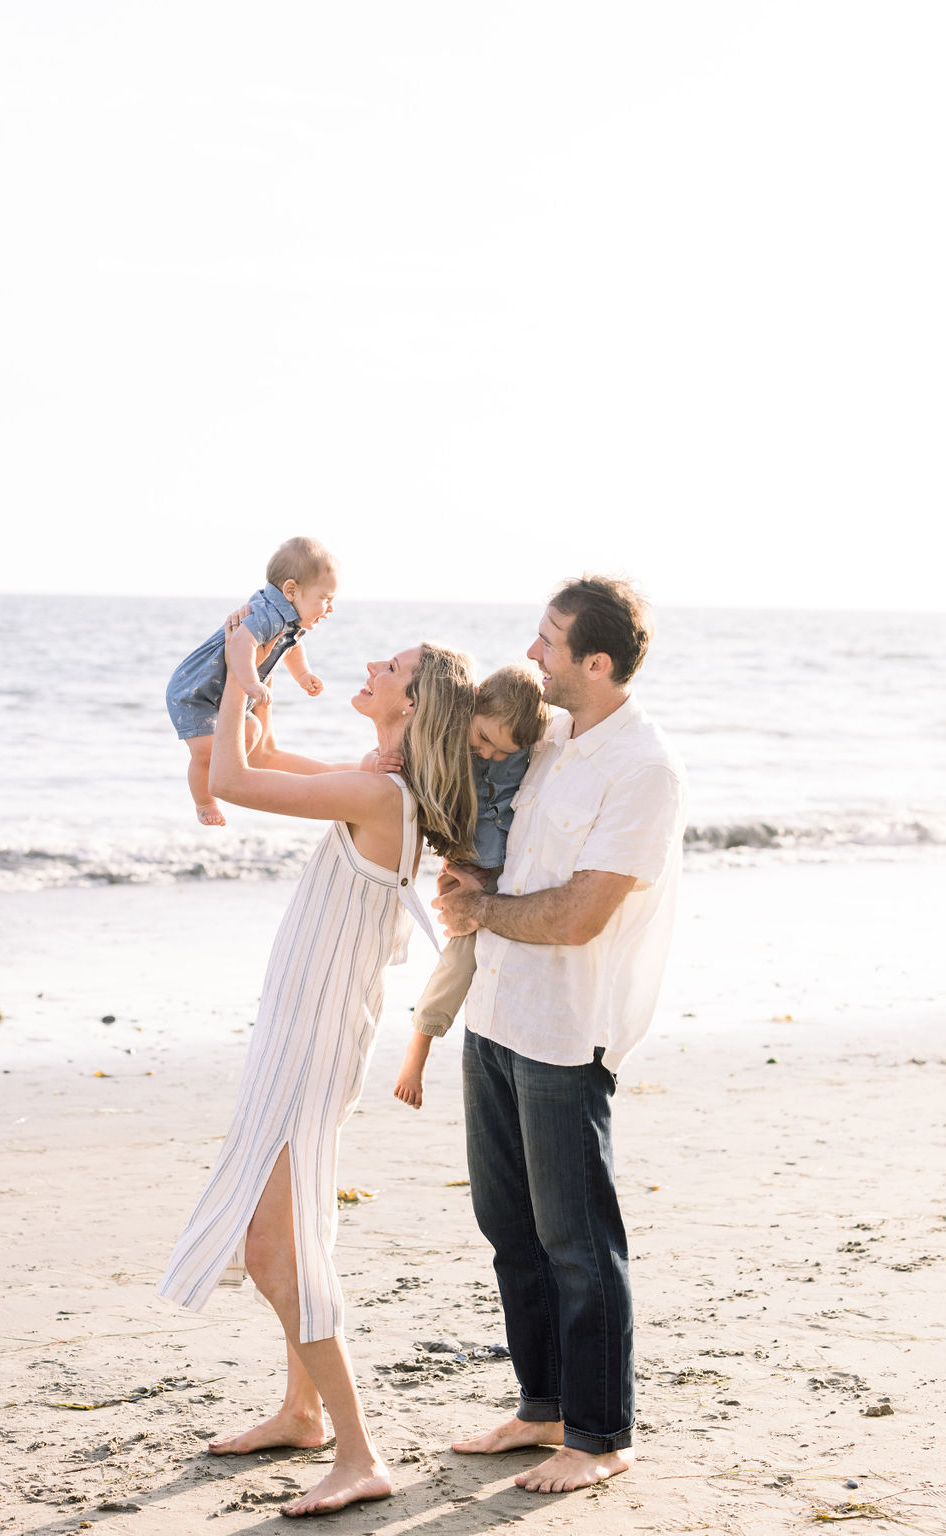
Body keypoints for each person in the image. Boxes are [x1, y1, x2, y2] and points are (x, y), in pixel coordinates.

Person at [158, 622, 477, 1518]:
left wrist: (231, 671)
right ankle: (303, 1414)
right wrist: (250, 678)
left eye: (393, 666)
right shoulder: (375, 784)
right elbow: (254, 752)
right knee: (294, 1235)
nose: (373, 665)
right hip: (307, 1031)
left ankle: (361, 1452)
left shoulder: (386, 798)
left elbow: (229, 779)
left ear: (412, 704)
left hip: (314, 1040)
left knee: (274, 1247)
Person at [434, 576, 688, 1496]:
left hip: (567, 1032)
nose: (531, 653)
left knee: (577, 1240)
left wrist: (482, 908)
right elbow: (478, 801)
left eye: (549, 641)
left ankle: (602, 1433)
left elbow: (581, 913)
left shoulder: (644, 769)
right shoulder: (544, 733)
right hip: (496, 1015)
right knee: (508, 1227)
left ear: (598, 662)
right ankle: (542, 1407)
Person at [394, 665, 550, 1109]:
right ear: (476, 702)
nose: (489, 754)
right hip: (463, 866)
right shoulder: (455, 744)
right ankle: (418, 1049)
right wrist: (460, 874)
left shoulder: (525, 739)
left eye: (504, 752)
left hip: (506, 874)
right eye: (484, 739)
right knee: (459, 960)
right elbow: (432, 813)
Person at [165, 535, 338, 827]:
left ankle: (229, 771)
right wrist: (249, 683)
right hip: (196, 692)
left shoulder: (288, 620)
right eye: (325, 599)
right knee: (205, 753)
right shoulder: (267, 613)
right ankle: (204, 802)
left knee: (252, 729)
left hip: (224, 692)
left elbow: (293, 645)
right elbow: (241, 642)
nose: (330, 608)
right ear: (291, 590)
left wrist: (303, 674)